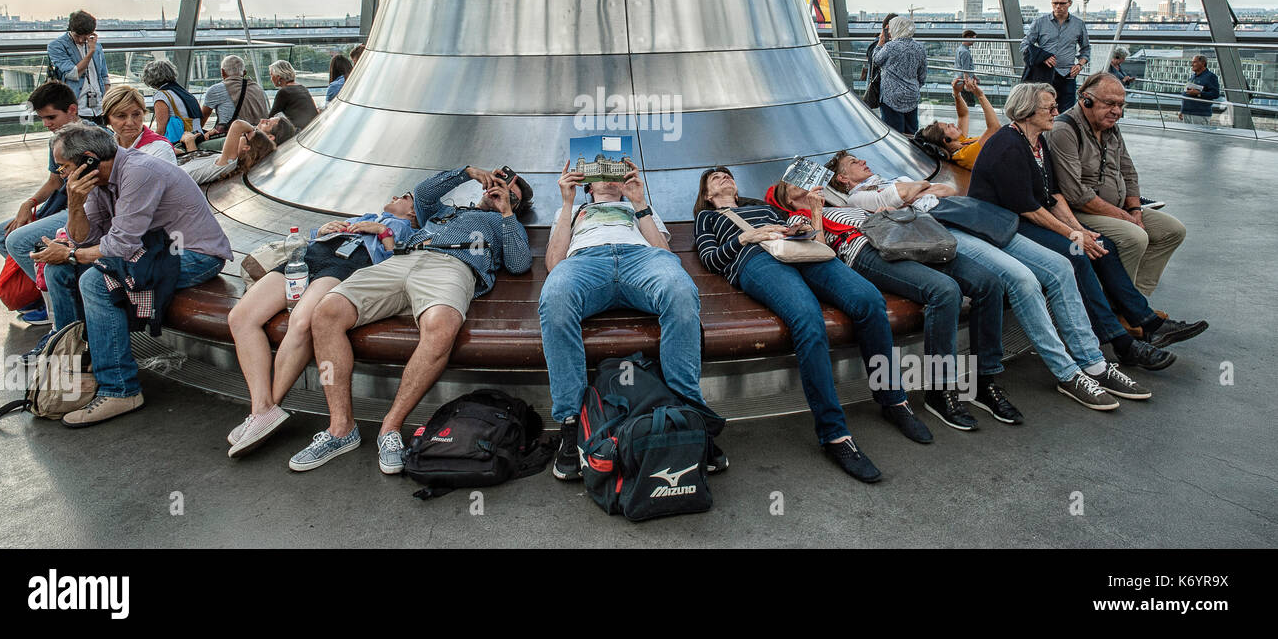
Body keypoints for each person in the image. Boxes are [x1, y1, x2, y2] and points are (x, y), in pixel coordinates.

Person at [828, 151, 1143, 414]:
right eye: (854, 162)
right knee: (1020, 279)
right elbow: (898, 196)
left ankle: (1093, 362)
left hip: (965, 216)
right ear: (843, 178)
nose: (864, 162)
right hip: (943, 227)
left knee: (1061, 267)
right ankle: (1067, 372)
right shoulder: (859, 195)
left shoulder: (887, 180)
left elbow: (946, 190)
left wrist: (915, 191)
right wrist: (918, 188)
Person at [694, 166, 932, 484]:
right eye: (715, 178)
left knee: (869, 301)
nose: (724, 177)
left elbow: (814, 239)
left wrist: (803, 225)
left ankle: (893, 399)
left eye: (728, 175)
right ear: (708, 195)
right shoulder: (707, 219)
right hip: (756, 260)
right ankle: (834, 434)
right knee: (807, 320)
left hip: (803, 251)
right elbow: (711, 257)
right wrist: (746, 236)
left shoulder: (763, 208)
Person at [293, 165, 533, 474]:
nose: (500, 193)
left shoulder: (503, 225)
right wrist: (468, 172)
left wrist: (506, 213)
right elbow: (423, 193)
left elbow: (519, 263)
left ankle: (390, 429)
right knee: (326, 313)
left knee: (441, 327)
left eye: (511, 196)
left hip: (454, 265)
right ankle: (341, 428)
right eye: (498, 185)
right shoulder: (447, 211)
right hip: (405, 259)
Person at [968, 83, 1184, 373]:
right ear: (1027, 111)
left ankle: (1146, 321)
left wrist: (1079, 228)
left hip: (1025, 220)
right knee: (1077, 253)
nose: (1057, 112)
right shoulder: (1008, 145)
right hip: (1003, 227)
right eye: (1050, 108)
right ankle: (1121, 342)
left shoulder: (1037, 142)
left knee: (1102, 245)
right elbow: (1029, 208)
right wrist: (1073, 235)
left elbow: (1053, 195)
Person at [766, 178, 1013, 433]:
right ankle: (940, 389)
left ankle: (985, 378)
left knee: (989, 283)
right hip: (865, 251)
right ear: (785, 198)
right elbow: (820, 253)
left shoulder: (842, 205)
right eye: (789, 183)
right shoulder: (796, 219)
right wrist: (815, 210)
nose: (800, 181)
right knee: (945, 291)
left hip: (905, 237)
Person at [34, 122, 231, 426]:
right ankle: (75, 367)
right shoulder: (101, 182)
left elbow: (119, 246)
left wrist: (72, 254)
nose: (62, 175)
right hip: (152, 251)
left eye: (63, 168)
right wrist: (74, 205)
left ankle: (120, 388)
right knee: (59, 271)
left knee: (96, 281)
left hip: (193, 253)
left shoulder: (139, 172)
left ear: (88, 159)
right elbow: (85, 240)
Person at [541, 158, 724, 481]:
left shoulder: (638, 207)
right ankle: (572, 423)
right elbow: (555, 263)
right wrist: (567, 203)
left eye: (615, 172)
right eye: (601, 173)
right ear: (589, 184)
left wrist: (639, 202)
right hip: (587, 262)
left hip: (640, 259)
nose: (610, 179)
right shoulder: (572, 211)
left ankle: (688, 411)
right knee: (555, 298)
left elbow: (664, 255)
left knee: (680, 291)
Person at [224, 193, 419, 458]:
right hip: (312, 256)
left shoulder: (406, 229)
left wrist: (383, 232)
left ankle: (268, 410)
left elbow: (395, 265)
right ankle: (261, 407)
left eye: (405, 197)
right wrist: (324, 230)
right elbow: (315, 237)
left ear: (413, 213)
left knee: (302, 320)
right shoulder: (363, 217)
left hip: (346, 265)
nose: (396, 196)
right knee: (241, 317)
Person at [1049, 75, 1205, 348]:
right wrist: (1125, 217)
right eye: (1110, 103)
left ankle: (1132, 308)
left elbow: (1129, 170)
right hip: (1080, 212)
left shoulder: (1110, 127)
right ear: (1085, 99)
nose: (1117, 111)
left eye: (1121, 105)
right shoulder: (1065, 129)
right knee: (1134, 236)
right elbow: (1075, 194)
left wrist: (1134, 208)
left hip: (1118, 207)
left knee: (1171, 231)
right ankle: (1130, 315)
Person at [0, 81, 81, 324]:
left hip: (78, 209)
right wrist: (29, 203)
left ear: (72, 110)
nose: (46, 124)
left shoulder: (90, 138)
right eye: (42, 119)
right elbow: (54, 181)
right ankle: (39, 295)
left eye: (51, 117)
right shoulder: (56, 140)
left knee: (17, 240)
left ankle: (56, 306)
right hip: (59, 206)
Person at [1020, 0, 1090, 112]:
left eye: (1062, 3)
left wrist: (1079, 65)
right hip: (1044, 75)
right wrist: (1042, 56)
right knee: (1043, 110)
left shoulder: (1079, 24)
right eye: (1055, 3)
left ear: (1070, 3)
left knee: (1066, 113)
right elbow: (1025, 45)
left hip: (1067, 75)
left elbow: (1085, 49)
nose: (1058, 6)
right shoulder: (1040, 22)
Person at [177, 114, 296, 186]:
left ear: (246, 148)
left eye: (267, 123)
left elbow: (238, 125)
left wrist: (189, 143)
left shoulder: (229, 162)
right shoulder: (227, 159)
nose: (261, 120)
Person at [916, 77, 1002, 170]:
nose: (953, 124)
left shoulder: (959, 143)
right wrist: (980, 95)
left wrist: (956, 94)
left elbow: (963, 115)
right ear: (946, 140)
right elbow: (995, 128)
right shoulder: (965, 155)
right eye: (948, 127)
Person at [47, 10, 109, 125]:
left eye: (85, 36)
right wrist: (90, 52)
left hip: (98, 109)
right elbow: (73, 73)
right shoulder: (57, 46)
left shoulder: (97, 47)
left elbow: (104, 76)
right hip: (76, 109)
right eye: (77, 36)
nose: (81, 40)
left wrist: (108, 104)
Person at [872, 14, 926, 134]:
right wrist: (913, 87)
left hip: (891, 97)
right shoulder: (920, 48)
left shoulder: (890, 46)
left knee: (893, 134)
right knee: (911, 133)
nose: (889, 32)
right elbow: (922, 76)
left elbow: (876, 60)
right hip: (912, 96)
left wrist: (880, 44)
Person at [100, 86, 175, 165]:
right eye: (121, 116)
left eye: (136, 114)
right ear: (107, 120)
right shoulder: (104, 148)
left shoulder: (160, 149)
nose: (130, 123)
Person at [201, 55, 269, 134]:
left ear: (222, 72)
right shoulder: (258, 89)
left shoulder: (216, 90)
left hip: (231, 137)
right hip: (259, 136)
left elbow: (202, 118)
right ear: (244, 72)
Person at [143, 59, 203, 147]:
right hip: (198, 137)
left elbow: (161, 130)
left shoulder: (162, 95)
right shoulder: (184, 92)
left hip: (183, 142)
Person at [266, 59, 319, 131]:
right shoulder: (302, 88)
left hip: (300, 132)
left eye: (271, 74)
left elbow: (270, 117)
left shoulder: (284, 92)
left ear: (278, 76)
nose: (271, 78)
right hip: (313, 129)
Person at [1180, 54, 1220, 125]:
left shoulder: (1211, 76)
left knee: (1198, 135)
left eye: (1194, 62)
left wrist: (1199, 93)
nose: (1192, 64)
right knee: (1187, 135)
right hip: (1187, 112)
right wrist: (1182, 110)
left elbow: (1215, 94)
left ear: (1203, 63)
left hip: (1199, 114)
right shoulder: (1193, 76)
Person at [955, 29, 978, 107]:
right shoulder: (965, 52)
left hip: (960, 80)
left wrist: (974, 76)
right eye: (973, 39)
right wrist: (967, 84)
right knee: (970, 103)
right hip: (965, 81)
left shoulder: (959, 49)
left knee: (965, 103)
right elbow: (965, 70)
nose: (974, 41)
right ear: (968, 37)